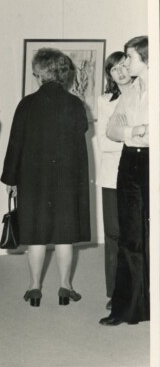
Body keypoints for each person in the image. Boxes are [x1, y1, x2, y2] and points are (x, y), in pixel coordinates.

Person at [1, 47, 90, 307]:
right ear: (63, 73)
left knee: (35, 234)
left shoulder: (27, 104)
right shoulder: (75, 103)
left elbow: (15, 144)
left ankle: (34, 288)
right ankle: (65, 287)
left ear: (40, 73)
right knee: (64, 235)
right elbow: (81, 132)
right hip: (66, 179)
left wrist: (10, 179)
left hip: (33, 179)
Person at [100, 36, 149, 326]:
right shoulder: (131, 91)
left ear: (147, 59)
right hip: (130, 161)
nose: (125, 62)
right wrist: (137, 130)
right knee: (130, 236)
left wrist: (130, 129)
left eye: (130, 57)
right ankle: (128, 308)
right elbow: (111, 130)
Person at [95, 52, 133, 310]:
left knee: (138, 233)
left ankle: (140, 289)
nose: (120, 72)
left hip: (140, 173)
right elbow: (104, 143)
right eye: (113, 69)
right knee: (114, 234)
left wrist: (122, 132)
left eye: (123, 66)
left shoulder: (146, 97)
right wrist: (134, 135)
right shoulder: (105, 100)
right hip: (111, 176)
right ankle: (115, 292)